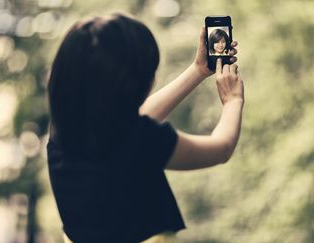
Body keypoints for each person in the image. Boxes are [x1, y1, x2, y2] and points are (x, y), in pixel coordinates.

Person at [46, 12, 244, 243]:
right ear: (132, 83)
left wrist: (198, 70)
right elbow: (221, 148)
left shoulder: (62, 134)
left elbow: (131, 122)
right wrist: (233, 101)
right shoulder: (143, 141)